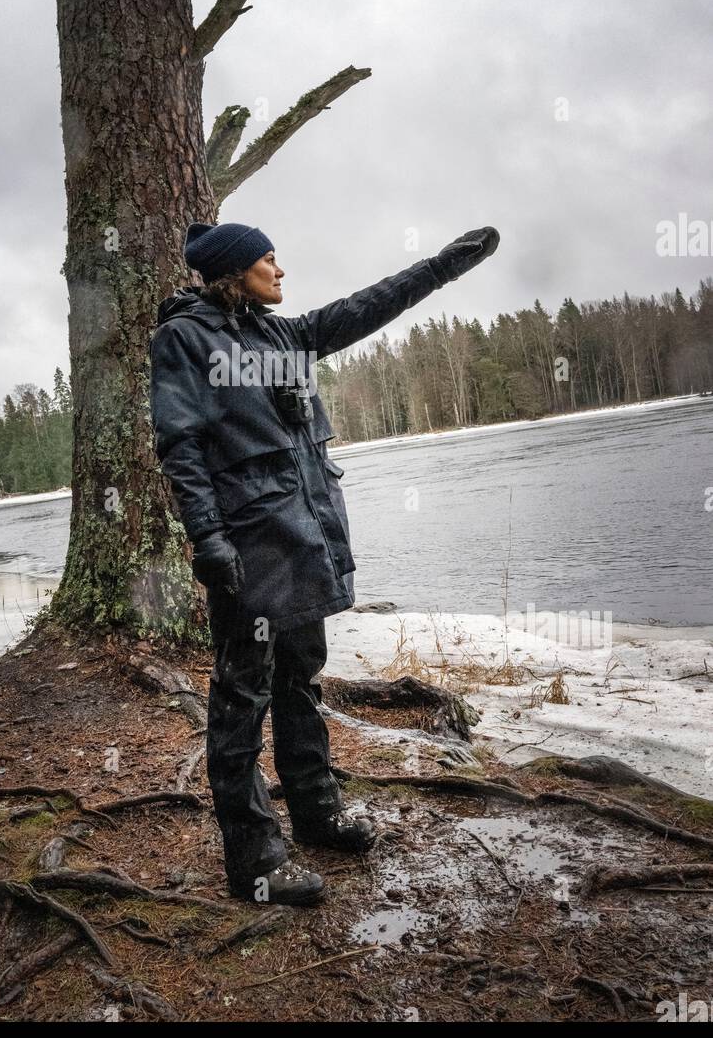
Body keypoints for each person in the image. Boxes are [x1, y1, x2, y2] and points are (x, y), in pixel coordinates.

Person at [149, 220, 500, 905]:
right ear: (233, 271)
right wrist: (207, 540)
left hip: (300, 538)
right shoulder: (183, 340)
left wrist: (440, 267)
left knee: (302, 679)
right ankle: (255, 859)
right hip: (248, 547)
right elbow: (180, 447)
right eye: (268, 261)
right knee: (240, 700)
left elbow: (367, 306)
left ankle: (316, 811)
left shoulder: (284, 335)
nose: (280, 272)